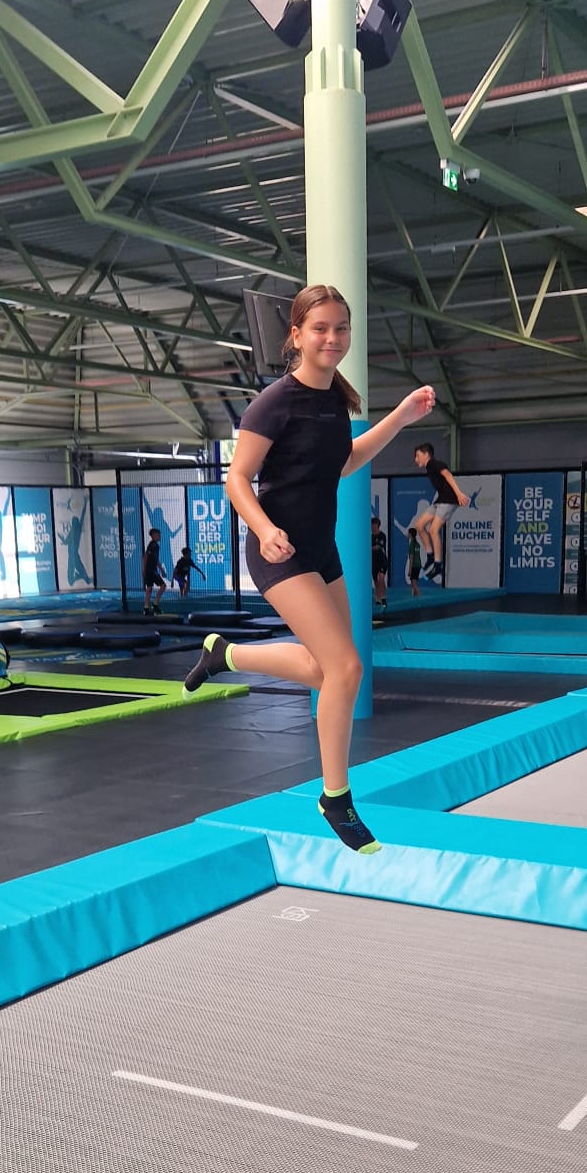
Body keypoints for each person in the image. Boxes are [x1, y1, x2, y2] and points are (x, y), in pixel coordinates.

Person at [183, 281, 436, 854]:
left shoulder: (334, 401)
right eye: (320, 328)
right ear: (296, 335)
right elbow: (236, 479)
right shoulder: (274, 402)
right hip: (279, 550)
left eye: (341, 328)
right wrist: (264, 529)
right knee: (346, 667)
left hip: (322, 550)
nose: (332, 338)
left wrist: (399, 417)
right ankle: (335, 798)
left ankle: (226, 656)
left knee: (331, 672)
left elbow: (344, 462)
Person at [409, 442, 469, 583]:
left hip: (448, 500)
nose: (416, 459)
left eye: (417, 456)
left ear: (426, 454)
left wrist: (459, 494)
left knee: (433, 530)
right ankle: (430, 556)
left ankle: (437, 564)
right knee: (419, 525)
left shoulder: (434, 463)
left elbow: (447, 474)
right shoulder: (429, 467)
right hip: (440, 499)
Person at [141, 526, 168, 616]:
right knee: (163, 586)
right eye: (158, 535)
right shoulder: (153, 545)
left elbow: (155, 559)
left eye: (159, 534)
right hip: (151, 570)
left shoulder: (154, 545)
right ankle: (155, 605)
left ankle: (146, 608)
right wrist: (144, 570)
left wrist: (161, 570)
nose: (159, 536)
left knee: (149, 588)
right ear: (153, 535)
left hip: (151, 570)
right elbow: (146, 557)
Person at [370, 515, 389, 608]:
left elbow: (378, 547)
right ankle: (377, 597)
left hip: (382, 561)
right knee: (376, 580)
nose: (372, 527)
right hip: (374, 561)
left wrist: (370, 548)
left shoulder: (382, 535)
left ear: (377, 525)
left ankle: (383, 598)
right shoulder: (370, 537)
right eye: (371, 525)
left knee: (381, 578)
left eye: (374, 525)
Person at [405, 523, 422, 600]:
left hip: (414, 565)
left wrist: (409, 570)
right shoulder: (417, 544)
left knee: (413, 583)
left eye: (408, 533)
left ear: (411, 535)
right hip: (418, 564)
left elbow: (411, 558)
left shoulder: (412, 544)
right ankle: (415, 597)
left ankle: (419, 597)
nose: (407, 534)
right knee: (413, 582)